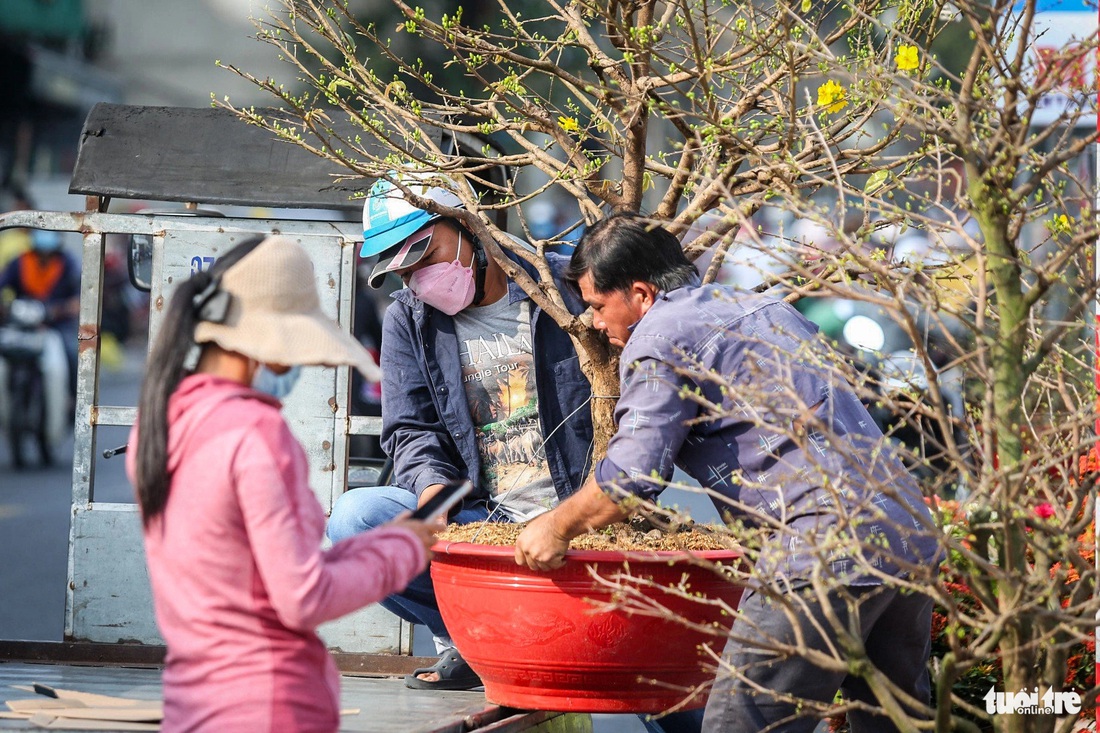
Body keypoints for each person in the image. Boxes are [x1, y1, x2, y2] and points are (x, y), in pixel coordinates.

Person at [515, 212, 943, 733]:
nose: (596, 324)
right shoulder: (766, 307)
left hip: (819, 548)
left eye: (599, 307)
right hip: (903, 533)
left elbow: (629, 480)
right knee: (894, 724)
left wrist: (554, 526)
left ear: (642, 294)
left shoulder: (660, 338)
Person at [126, 235, 439, 732]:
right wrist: (401, 551)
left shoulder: (163, 420)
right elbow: (302, 596)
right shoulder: (257, 434)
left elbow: (259, 578)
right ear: (271, 346)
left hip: (192, 706)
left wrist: (375, 545)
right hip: (270, 706)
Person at [326, 174, 595, 691]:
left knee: (668, 689)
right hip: (482, 519)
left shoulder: (567, 290)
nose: (421, 280)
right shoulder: (408, 318)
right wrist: (432, 499)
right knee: (355, 522)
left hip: (578, 519)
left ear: (468, 225)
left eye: (426, 258)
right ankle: (469, 637)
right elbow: (410, 428)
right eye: (405, 272)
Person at [0, 228, 81, 399]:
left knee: (73, 352)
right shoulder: (20, 261)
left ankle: (74, 398)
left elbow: (78, 297)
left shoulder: (68, 263)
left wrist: (62, 309)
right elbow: (3, 283)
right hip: (23, 321)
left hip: (57, 322)